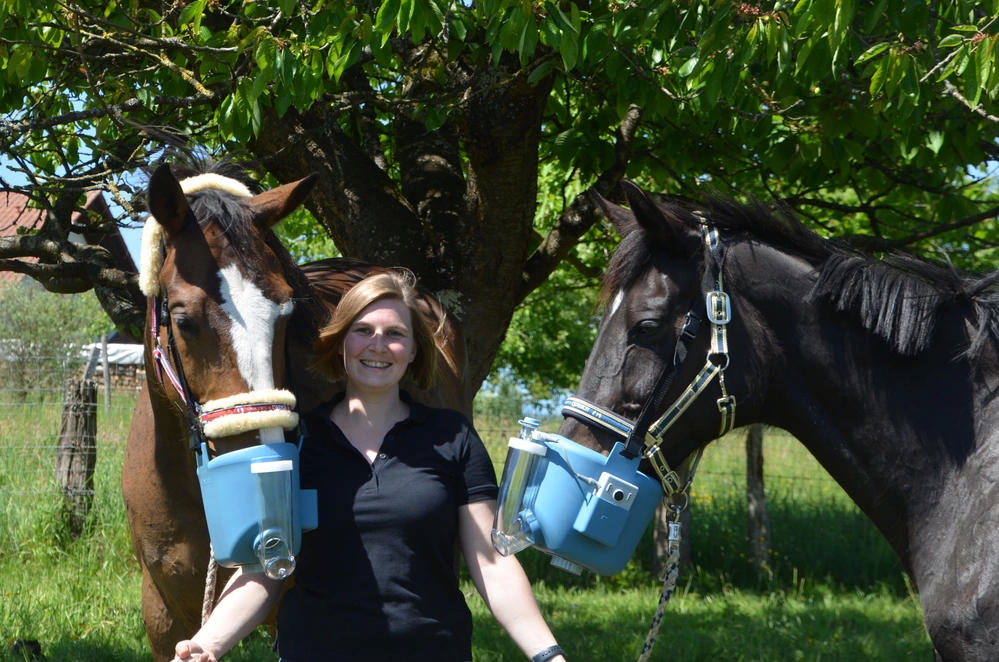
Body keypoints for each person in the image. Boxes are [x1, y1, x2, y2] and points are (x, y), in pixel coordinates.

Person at [173, 270, 566, 662]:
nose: (378, 345)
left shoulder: (452, 436)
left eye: (395, 334)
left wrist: (548, 655)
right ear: (341, 342)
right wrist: (207, 645)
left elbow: (492, 563)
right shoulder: (298, 443)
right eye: (362, 330)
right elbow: (264, 567)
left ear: (414, 350)